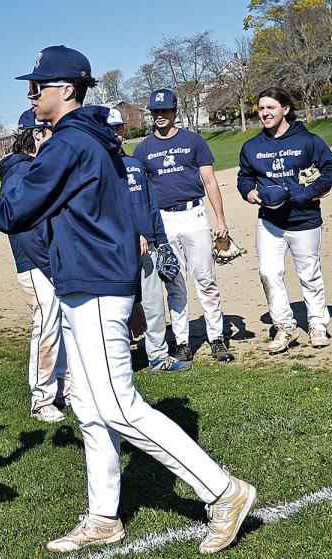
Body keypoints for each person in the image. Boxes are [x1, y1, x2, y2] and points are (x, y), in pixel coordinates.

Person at [0, 45, 257, 555]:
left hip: (97, 286)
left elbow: (14, 212)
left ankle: (224, 492)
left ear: (67, 90)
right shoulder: (87, 140)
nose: (32, 94)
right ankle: (104, 515)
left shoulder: (69, 142)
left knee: (118, 405)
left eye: (39, 85)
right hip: (86, 282)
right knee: (85, 403)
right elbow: (85, 214)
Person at [236, 87, 332, 353]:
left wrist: (307, 193)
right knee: (269, 273)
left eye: (270, 107)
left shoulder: (308, 140)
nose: (264, 113)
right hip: (270, 222)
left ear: (285, 109)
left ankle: (318, 324)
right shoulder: (252, 146)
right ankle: (285, 327)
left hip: (304, 219)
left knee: (309, 274)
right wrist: (248, 191)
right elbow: (244, 176)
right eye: (261, 109)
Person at [133, 88, 235, 363]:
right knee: (174, 282)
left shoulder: (194, 141)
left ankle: (217, 338)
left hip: (194, 215)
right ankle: (181, 342)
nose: (160, 116)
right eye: (155, 111)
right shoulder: (142, 150)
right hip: (165, 220)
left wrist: (221, 219)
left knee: (206, 280)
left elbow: (210, 182)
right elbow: (139, 194)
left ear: (175, 111)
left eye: (165, 110)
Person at [106, 109, 191, 373]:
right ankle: (116, 362)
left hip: (149, 248)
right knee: (117, 308)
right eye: (110, 128)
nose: (115, 133)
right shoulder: (100, 170)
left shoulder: (134, 165)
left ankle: (157, 356)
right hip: (117, 250)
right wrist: (133, 234)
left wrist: (162, 241)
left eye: (118, 128)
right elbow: (106, 211)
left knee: (154, 304)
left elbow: (152, 206)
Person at [3, 109, 71, 422]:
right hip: (34, 264)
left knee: (59, 326)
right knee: (46, 327)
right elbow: (22, 227)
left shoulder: (30, 167)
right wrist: (49, 266)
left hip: (45, 261)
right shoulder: (19, 173)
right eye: (49, 131)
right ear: (35, 134)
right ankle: (42, 399)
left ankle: (65, 387)